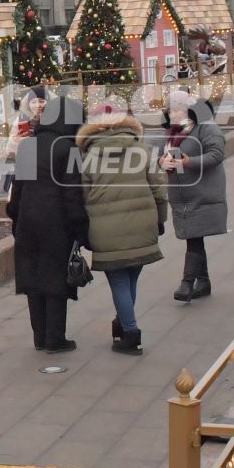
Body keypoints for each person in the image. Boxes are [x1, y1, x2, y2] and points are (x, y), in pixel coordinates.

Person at [77, 101, 167, 354]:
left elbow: (81, 196)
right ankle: (123, 322)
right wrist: (160, 220)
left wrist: (83, 228)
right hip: (142, 223)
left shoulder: (87, 156)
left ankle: (130, 331)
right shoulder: (142, 150)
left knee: (118, 280)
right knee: (130, 278)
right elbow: (159, 189)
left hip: (104, 228)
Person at [6, 86, 86, 353]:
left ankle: (39, 337)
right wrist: (81, 229)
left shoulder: (29, 146)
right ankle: (55, 338)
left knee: (33, 280)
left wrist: (16, 219)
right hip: (57, 225)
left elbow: (17, 190)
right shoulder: (69, 149)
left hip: (28, 222)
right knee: (54, 281)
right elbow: (73, 195)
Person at [161, 89, 227, 302]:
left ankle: (187, 283)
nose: (173, 113)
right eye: (170, 109)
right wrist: (162, 162)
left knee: (194, 238)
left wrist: (189, 162)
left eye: (178, 108)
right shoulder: (173, 132)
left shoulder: (206, 127)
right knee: (194, 236)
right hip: (182, 195)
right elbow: (163, 155)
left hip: (202, 193)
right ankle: (204, 282)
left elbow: (216, 154)